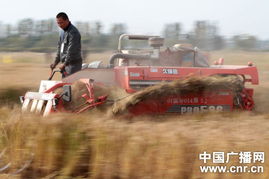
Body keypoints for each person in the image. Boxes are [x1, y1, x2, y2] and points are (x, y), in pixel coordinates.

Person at [50, 12, 82, 77]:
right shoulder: (62, 32)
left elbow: (71, 51)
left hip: (73, 65)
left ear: (67, 20)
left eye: (61, 22)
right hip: (65, 65)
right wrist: (55, 63)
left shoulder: (73, 33)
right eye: (58, 23)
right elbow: (59, 49)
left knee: (70, 85)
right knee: (64, 85)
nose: (60, 25)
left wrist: (64, 64)